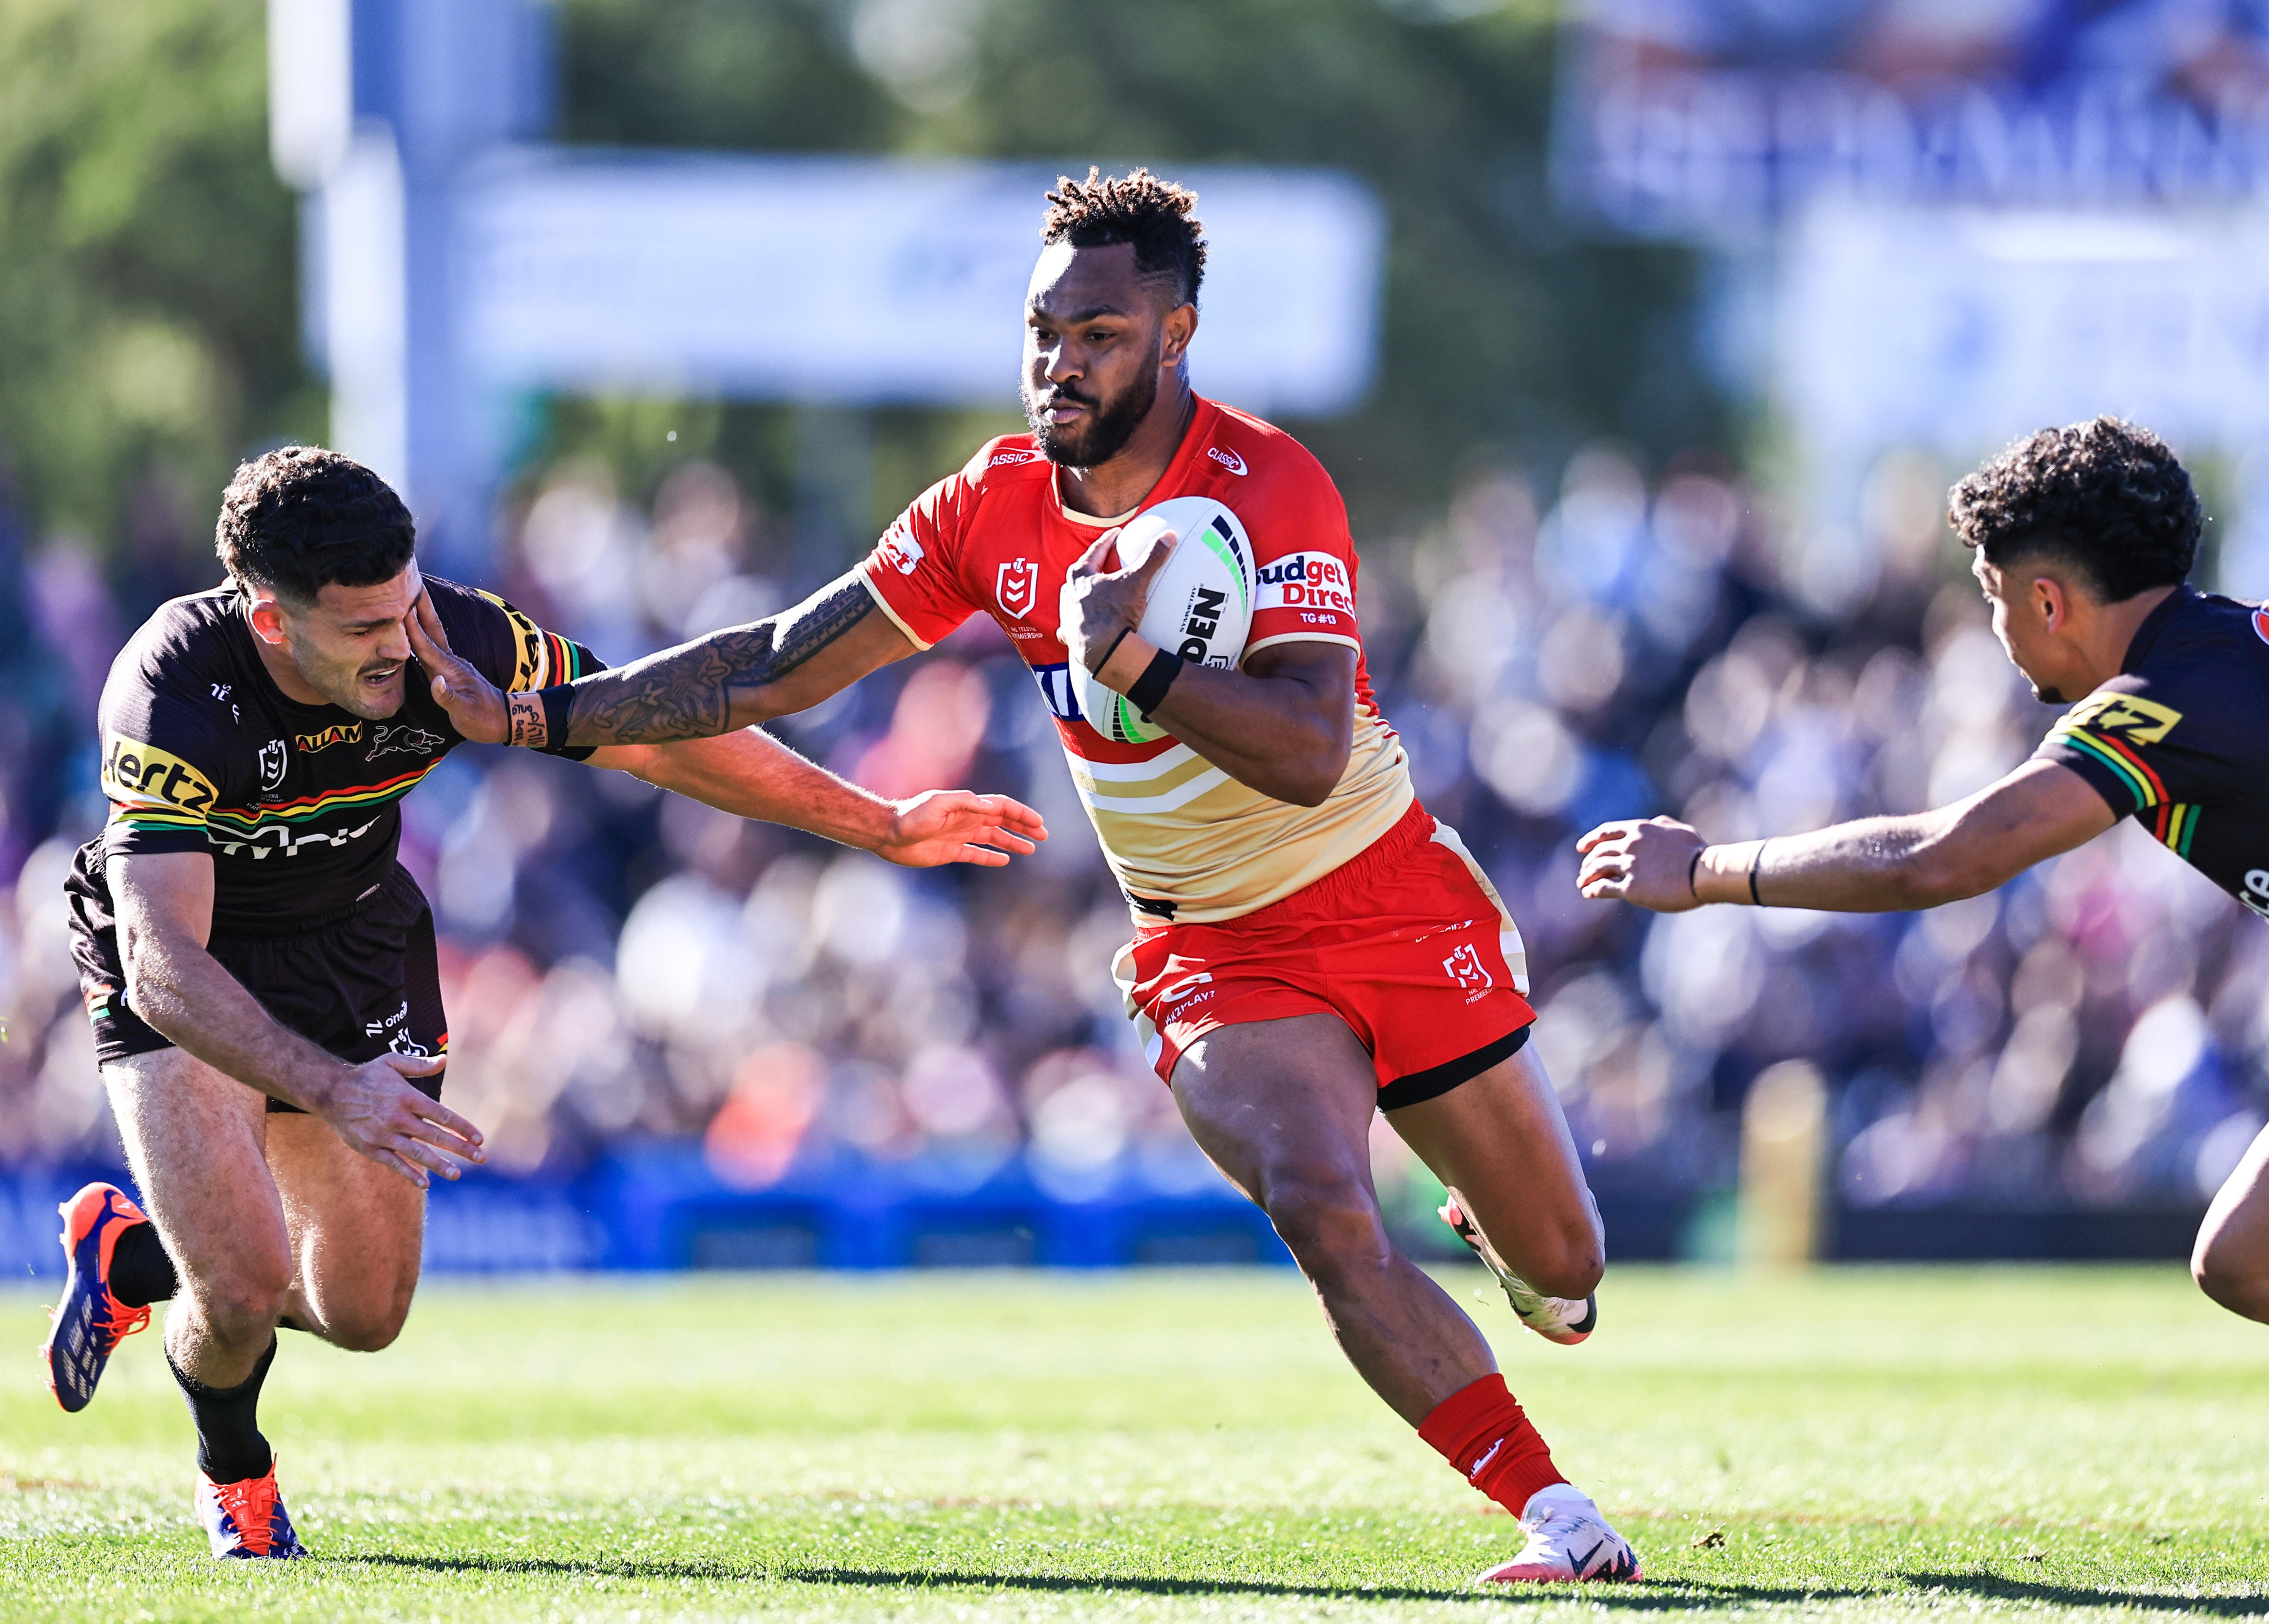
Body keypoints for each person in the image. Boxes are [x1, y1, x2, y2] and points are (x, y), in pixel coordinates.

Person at [408, 168, 1639, 1586]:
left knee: (1568, 1269)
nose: (1060, 361)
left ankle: (1506, 1230)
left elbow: (1310, 751)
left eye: (1099, 335)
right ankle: (1554, 1511)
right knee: (1319, 1196)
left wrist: (1137, 662)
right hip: (1213, 947)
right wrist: (544, 713)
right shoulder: (987, 507)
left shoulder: (1270, 482)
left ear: (1176, 336)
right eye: (1044, 331)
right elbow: (778, 661)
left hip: (1382, 891)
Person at [46, 445, 1044, 1559]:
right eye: (364, 629)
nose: (400, 645)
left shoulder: (453, 635)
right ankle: (235, 1470)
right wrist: (332, 1087)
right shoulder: (174, 684)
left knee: (365, 1314)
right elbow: (163, 962)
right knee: (238, 1291)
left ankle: (133, 1255)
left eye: (405, 605)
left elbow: (656, 735)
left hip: (351, 937)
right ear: (272, 621)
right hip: (192, 955)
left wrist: (879, 822)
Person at [1578, 415, 2269, 1382]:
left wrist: (1707, 871)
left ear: (2047, 600)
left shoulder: (2163, 695)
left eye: (1992, 597)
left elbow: (1941, 860)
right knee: (2260, 1252)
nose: (1995, 628)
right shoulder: (2235, 641)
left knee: (2264, 1253)